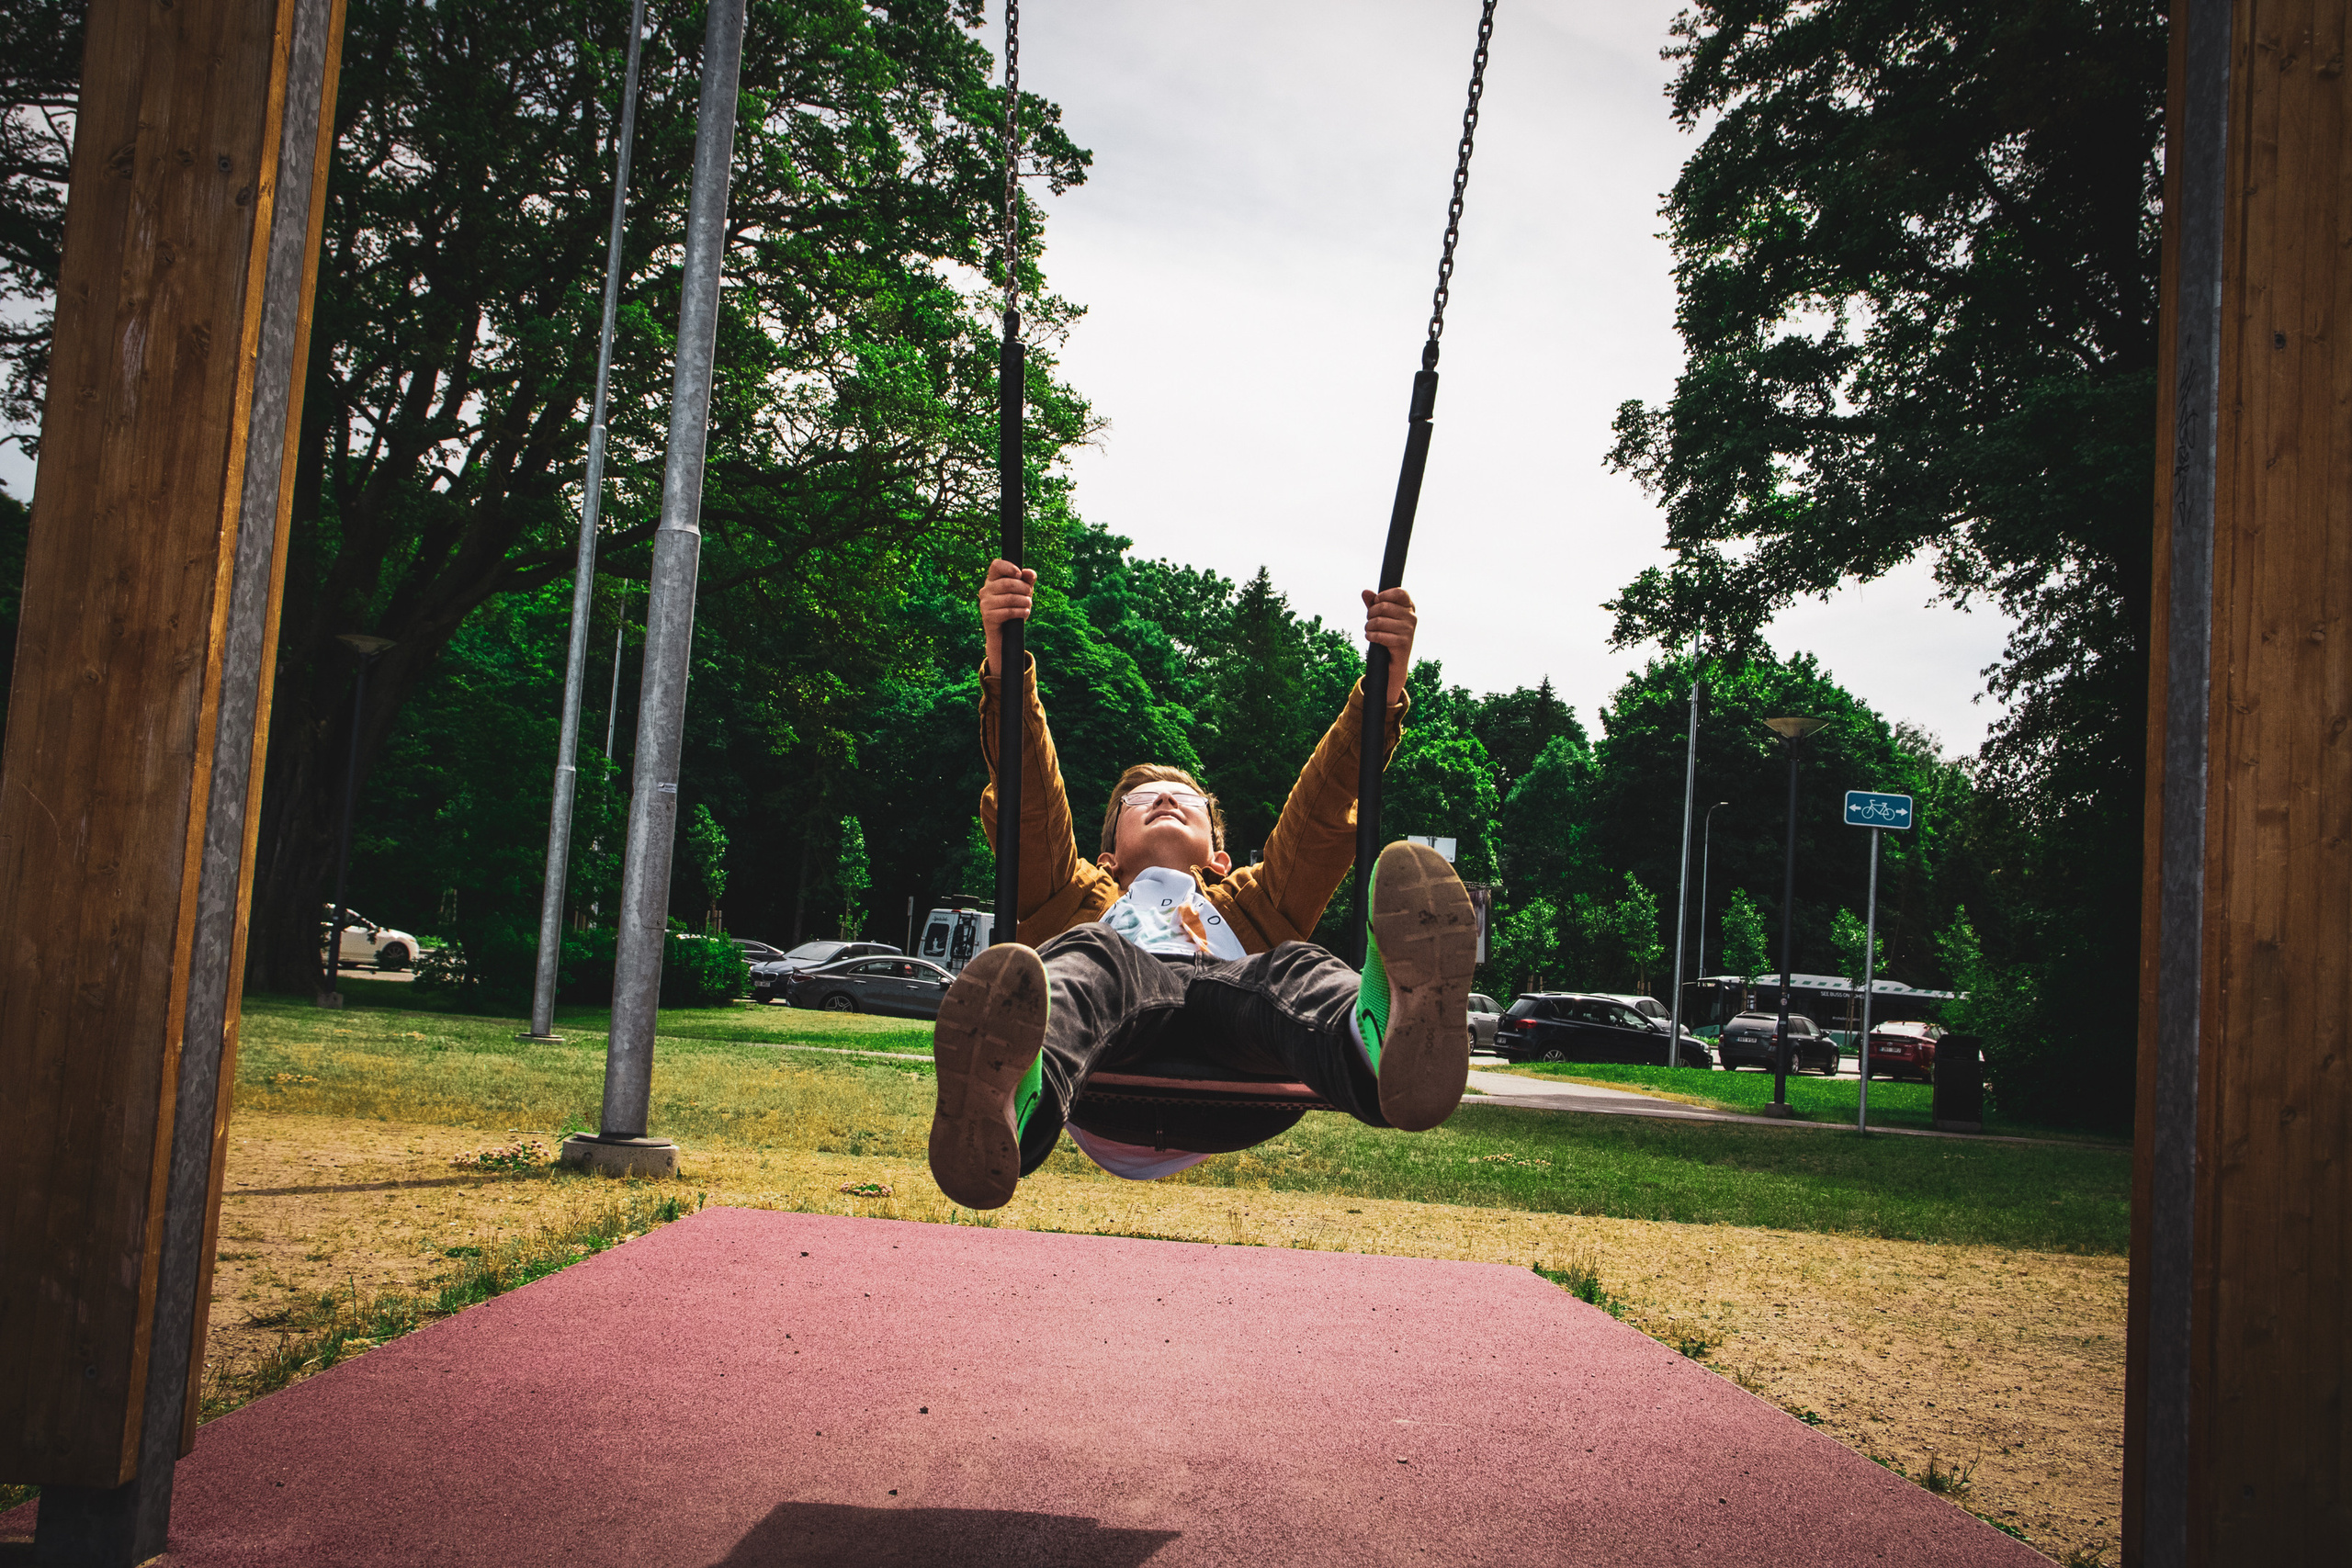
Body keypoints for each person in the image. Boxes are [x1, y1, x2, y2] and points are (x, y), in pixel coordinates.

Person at [926, 558, 1477, 1210]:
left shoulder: (1249, 904)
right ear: (1106, 855)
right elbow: (1031, 804)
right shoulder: (1072, 896)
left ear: (1219, 856)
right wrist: (1003, 656)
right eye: (1144, 798)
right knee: (1083, 959)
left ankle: (1381, 1047)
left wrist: (1383, 692)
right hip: (1103, 1078)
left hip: (1239, 1059)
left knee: (1293, 966)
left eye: (1183, 798)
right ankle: (1011, 1105)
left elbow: (1323, 816)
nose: (1164, 800)